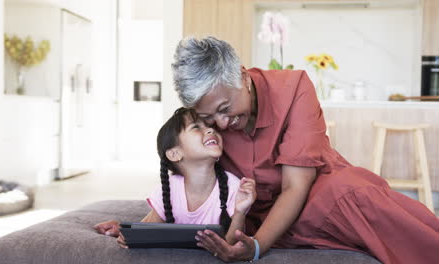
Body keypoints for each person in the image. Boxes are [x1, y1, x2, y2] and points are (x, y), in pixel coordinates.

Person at [171, 36, 439, 263]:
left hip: (312, 195)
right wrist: (144, 226)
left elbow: (295, 187)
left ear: (242, 77)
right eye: (208, 118)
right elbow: (180, 166)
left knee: (353, 195)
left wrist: (256, 247)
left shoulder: (294, 87)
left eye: (225, 109)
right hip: (251, 213)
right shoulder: (202, 118)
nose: (220, 124)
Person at [94, 107, 256, 247]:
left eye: (209, 126)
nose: (210, 130)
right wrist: (121, 229)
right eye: (196, 127)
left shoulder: (233, 187)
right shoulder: (170, 189)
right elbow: (146, 228)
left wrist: (240, 211)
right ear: (174, 153)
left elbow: (231, 245)